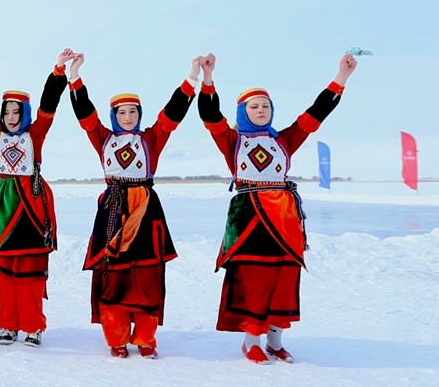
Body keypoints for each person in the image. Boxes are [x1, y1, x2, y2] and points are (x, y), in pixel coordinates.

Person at [197, 52, 357, 364]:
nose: (260, 110)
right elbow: (209, 115)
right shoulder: (232, 140)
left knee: (284, 276)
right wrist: (207, 78)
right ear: (243, 111)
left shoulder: (285, 139)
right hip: (250, 217)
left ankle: (275, 339)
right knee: (255, 277)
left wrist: (342, 77)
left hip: (283, 217)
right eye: (254, 106)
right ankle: (251, 340)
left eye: (265, 106)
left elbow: (316, 113)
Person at [69, 53, 202, 359]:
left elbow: (173, 115)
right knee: (113, 274)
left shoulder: (151, 139)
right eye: (122, 112)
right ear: (114, 115)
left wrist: (192, 77)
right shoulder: (103, 138)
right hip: (113, 210)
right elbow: (85, 115)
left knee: (146, 275)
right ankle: (116, 336)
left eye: (133, 112)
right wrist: (74, 76)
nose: (128, 117)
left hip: (146, 211)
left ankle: (145, 337)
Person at [0, 44, 70, 348]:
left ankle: (33, 326)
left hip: (31, 206)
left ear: (24, 114)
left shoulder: (35, 134)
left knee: (30, 273)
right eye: (7, 111)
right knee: (6, 273)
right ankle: (8, 325)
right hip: (1, 206)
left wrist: (59, 71)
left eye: (16, 112)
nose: (11, 117)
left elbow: (49, 105)